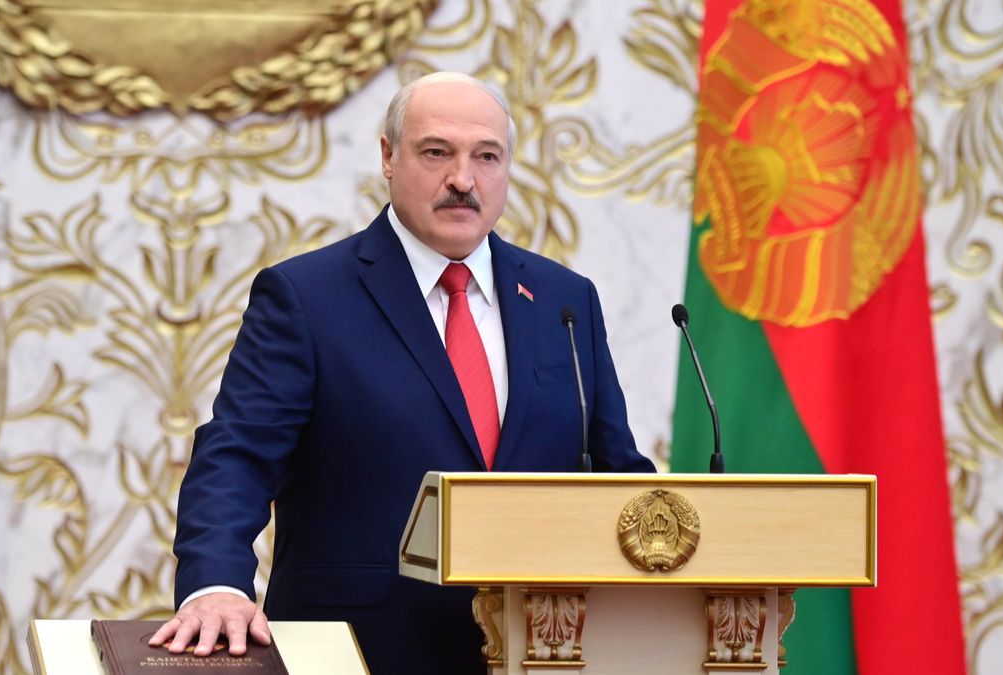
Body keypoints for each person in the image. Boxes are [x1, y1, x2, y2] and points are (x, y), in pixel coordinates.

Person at [149, 71, 655, 674]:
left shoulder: (565, 301)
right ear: (388, 156)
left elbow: (618, 475)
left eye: (486, 156)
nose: (463, 180)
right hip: (361, 650)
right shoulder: (306, 296)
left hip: (543, 650)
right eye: (437, 152)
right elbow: (237, 455)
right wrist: (216, 585)